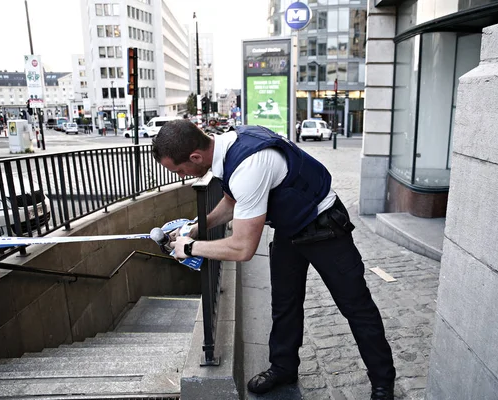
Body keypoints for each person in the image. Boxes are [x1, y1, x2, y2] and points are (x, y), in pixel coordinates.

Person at [151, 120, 396, 400]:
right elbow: (233, 202)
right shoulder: (230, 146)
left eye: (180, 170)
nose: (183, 176)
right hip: (290, 226)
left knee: (357, 307)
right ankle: (283, 368)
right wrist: (196, 228)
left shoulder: (248, 166)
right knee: (284, 304)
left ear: (195, 157)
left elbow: (243, 248)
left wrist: (192, 247)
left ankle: (382, 383)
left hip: (325, 227)